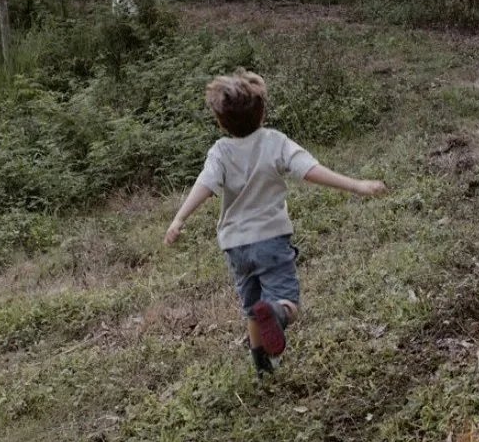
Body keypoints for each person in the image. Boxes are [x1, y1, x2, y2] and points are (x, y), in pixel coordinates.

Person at [164, 70, 388, 377]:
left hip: (235, 246)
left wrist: (179, 218)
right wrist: (356, 185)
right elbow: (309, 169)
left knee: (253, 309)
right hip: (270, 240)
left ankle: (262, 366)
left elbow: (205, 183)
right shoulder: (274, 142)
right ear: (262, 112)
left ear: (221, 122)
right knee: (285, 303)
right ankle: (278, 315)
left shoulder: (221, 151)